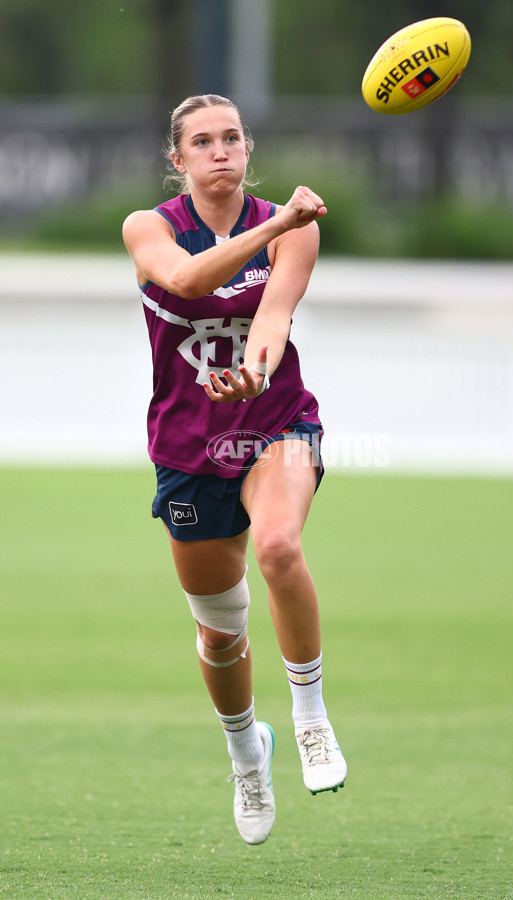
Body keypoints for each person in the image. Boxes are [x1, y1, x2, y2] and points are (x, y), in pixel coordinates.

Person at [122, 94, 347, 846]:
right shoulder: (149, 228)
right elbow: (185, 282)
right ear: (178, 159)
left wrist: (255, 370)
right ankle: (247, 750)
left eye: (233, 138)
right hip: (188, 446)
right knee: (221, 634)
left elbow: (275, 317)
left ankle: (311, 719)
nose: (221, 151)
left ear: (247, 150)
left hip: (274, 420)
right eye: (203, 142)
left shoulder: (292, 229)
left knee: (280, 546)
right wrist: (278, 223)